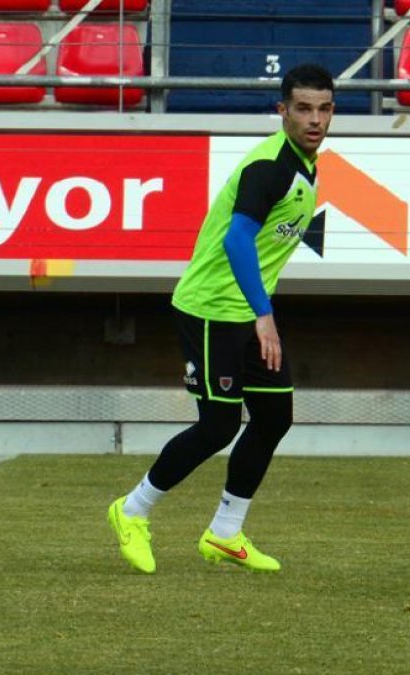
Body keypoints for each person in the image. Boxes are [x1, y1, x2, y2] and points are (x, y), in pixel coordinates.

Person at [106, 64, 336, 574]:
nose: (314, 119)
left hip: (246, 313)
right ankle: (131, 510)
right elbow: (236, 240)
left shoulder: (306, 164)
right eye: (303, 108)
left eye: (323, 108)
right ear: (282, 111)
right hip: (212, 309)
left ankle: (225, 532)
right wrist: (264, 314)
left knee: (275, 417)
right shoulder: (271, 167)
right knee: (218, 425)